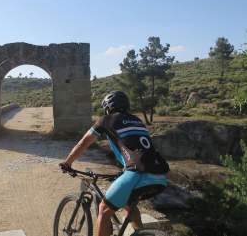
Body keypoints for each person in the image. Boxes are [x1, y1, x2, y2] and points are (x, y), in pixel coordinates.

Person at [59, 91, 169, 236]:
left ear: (108, 108)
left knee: (104, 209)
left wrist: (67, 163)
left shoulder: (105, 120)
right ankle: (139, 232)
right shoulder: (137, 120)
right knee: (129, 203)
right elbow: (137, 149)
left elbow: (83, 143)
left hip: (136, 174)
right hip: (160, 176)